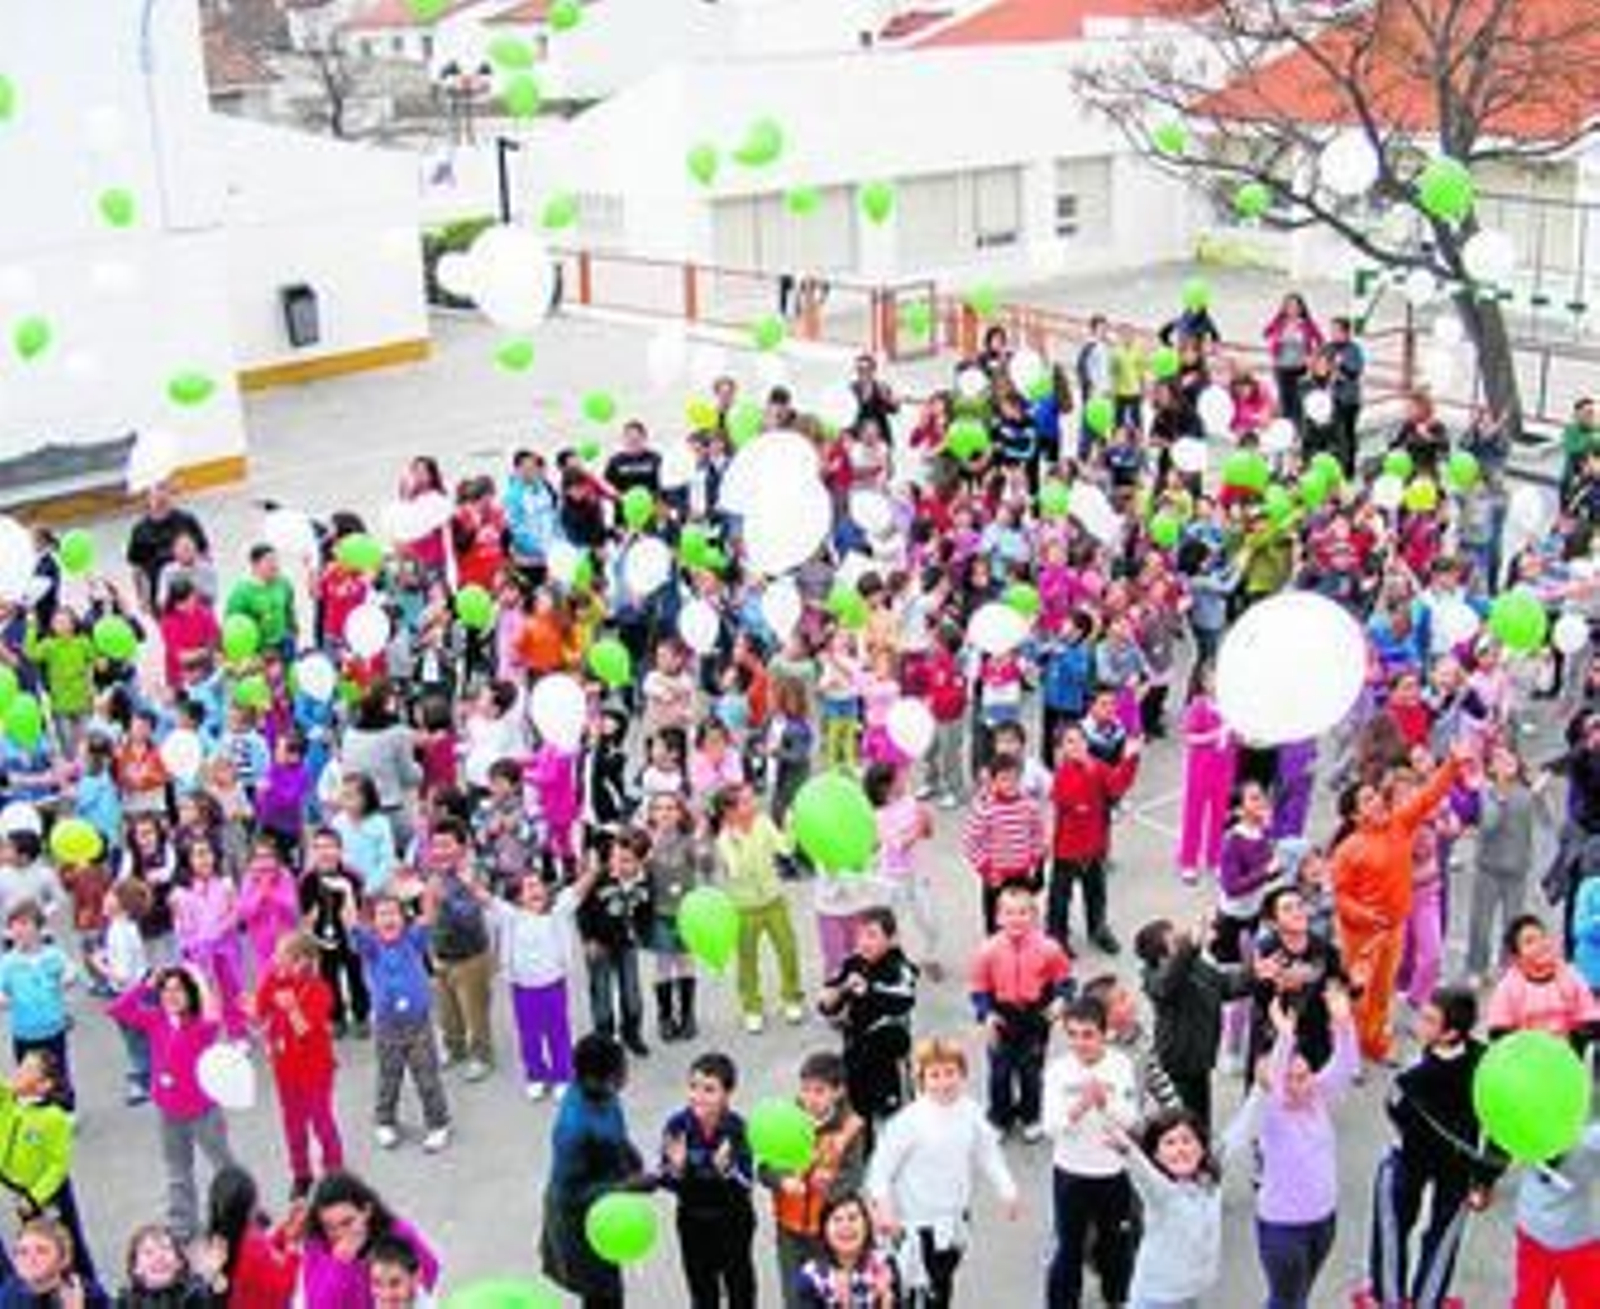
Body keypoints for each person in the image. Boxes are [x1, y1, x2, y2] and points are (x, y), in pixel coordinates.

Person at [1361, 987, 1500, 1309]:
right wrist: (1486, 1179)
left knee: (1392, 1227)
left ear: (1450, 1033)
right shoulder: (1485, 1061)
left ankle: (1390, 1300)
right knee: (1443, 1239)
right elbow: (1500, 1123)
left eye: (1429, 1020)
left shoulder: (1414, 1077)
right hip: (1459, 1165)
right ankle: (1429, 1300)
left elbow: (1394, 1109)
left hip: (1410, 1158)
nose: (1419, 1024)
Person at [1228, 987, 1359, 1309]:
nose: (1300, 1085)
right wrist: (1284, 1037)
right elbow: (1236, 1138)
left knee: (1298, 1297)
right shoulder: (1270, 1111)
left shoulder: (1317, 1097)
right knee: (1286, 1301)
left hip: (1323, 1221)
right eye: (1290, 1078)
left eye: (1304, 1075)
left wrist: (1344, 1023)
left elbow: (1345, 1066)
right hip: (1283, 1228)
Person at [1332, 747, 1462, 1064]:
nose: (1377, 801)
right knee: (1359, 997)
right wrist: (1365, 915)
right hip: (1362, 936)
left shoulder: (1399, 824)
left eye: (1375, 795)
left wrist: (1452, 763)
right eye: (1367, 800)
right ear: (1354, 816)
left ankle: (1375, 1046)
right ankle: (1349, 1055)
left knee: (1382, 993)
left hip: (1394, 928)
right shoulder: (1347, 850)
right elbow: (1341, 898)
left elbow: (1428, 797)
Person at [866, 1038, 1019, 1308]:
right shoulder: (909, 1122)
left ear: (963, 1074)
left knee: (943, 1283)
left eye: (950, 1073)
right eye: (934, 1075)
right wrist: (884, 1208)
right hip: (917, 1225)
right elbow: (880, 1170)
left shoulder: (970, 1112)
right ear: (921, 1080)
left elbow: (988, 1153)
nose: (943, 1082)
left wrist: (1008, 1191)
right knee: (921, 1292)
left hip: (956, 1219)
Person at [106, 966, 237, 1241]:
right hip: (169, 1110)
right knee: (177, 1169)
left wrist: (198, 978)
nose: (171, 995)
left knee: (223, 1164)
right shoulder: (155, 1019)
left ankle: (242, 1210)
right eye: (165, 990)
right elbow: (117, 1009)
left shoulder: (203, 1026)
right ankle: (182, 1222)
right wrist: (145, 985)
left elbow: (212, 1010)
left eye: (178, 989)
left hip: (203, 1110)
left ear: (191, 994)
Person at [1041, 995, 1140, 1309]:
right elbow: (1049, 1127)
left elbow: (1131, 1120)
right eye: (1072, 1034)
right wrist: (1078, 1108)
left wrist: (1105, 1103)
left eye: (1088, 1034)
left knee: (1116, 1243)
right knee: (1068, 1245)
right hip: (1070, 1172)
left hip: (1112, 1171)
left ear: (1104, 1033)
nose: (1080, 1043)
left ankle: (1118, 1296)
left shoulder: (1120, 1065)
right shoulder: (1058, 1071)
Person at [541, 1034, 646, 1309]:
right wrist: (627, 1186)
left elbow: (615, 1131)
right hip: (580, 1226)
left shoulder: (604, 1092)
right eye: (620, 1071)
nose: (626, 1076)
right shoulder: (573, 1129)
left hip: (605, 1208)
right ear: (593, 1080)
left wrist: (630, 1154)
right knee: (602, 1294)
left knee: (609, 1286)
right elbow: (570, 1194)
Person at [347, 892, 451, 1153]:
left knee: (427, 1076)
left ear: (403, 918)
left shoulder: (413, 939)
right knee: (388, 1077)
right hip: (387, 1025)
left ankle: (438, 1123)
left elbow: (428, 914)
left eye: (394, 913)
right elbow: (352, 925)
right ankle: (385, 1121)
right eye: (382, 914)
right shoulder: (370, 946)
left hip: (418, 1023)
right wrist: (348, 893)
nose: (389, 919)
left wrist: (424, 889)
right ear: (373, 922)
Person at [763, 1051, 867, 1309]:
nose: (810, 1098)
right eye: (805, 1090)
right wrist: (781, 1181)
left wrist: (824, 1187)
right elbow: (764, 1168)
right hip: (789, 1230)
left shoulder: (851, 1127)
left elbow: (854, 1176)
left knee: (830, 1295)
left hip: (828, 1232)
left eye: (819, 1091)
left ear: (838, 1092)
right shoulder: (785, 1123)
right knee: (795, 1296)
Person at [969, 884, 1072, 1140]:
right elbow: (979, 988)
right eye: (1009, 913)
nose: (1016, 919)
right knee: (999, 1072)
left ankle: (1031, 1115)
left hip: (1035, 1017)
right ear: (998, 917)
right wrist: (986, 1014)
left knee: (1031, 1071)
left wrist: (1061, 1000)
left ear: (1035, 916)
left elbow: (1065, 980)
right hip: (1001, 1017)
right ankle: (999, 1116)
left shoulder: (1049, 948)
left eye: (1023, 912)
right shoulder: (987, 951)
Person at [658, 1052, 757, 1309]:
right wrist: (676, 1169)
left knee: (740, 1287)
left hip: (733, 1221)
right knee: (702, 1291)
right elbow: (665, 1179)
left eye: (709, 1089)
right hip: (693, 1222)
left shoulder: (738, 1128)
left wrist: (728, 1170)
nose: (698, 1096)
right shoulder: (677, 1126)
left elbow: (748, 1183)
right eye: (693, 1086)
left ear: (728, 1093)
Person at [252, 931, 343, 1200]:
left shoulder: (319, 989)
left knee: (321, 1122)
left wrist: (292, 1008)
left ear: (302, 961)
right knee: (293, 1124)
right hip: (285, 1069)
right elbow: (260, 1012)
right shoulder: (274, 980)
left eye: (282, 955)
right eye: (276, 954)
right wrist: (253, 1007)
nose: (275, 959)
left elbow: (305, 1030)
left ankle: (334, 1172)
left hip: (315, 1069)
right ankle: (301, 1173)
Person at [1107, 1109, 1224, 1309]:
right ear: (1156, 1155)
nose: (1180, 1149)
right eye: (1169, 1143)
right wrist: (1128, 1151)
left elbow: (1240, 1134)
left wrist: (1260, 1094)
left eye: (1187, 1140)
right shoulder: (1162, 1193)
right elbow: (1143, 1174)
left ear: (1202, 1147)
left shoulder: (1209, 1183)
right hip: (1155, 1299)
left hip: (1190, 1293)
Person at [711, 784, 804, 1035]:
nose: (754, 804)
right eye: (746, 801)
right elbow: (737, 871)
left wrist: (791, 825)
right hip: (744, 908)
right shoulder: (724, 839)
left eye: (752, 799)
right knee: (747, 960)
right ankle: (752, 1007)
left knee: (788, 950)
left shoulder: (764, 822)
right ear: (729, 811)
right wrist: (735, 842)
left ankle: (792, 997)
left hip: (774, 900)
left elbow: (785, 848)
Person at [1048, 724, 1140, 954]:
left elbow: (1117, 785)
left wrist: (1130, 759)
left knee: (1096, 893)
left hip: (1095, 846)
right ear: (1061, 748)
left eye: (1080, 739)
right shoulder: (1062, 772)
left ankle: (1098, 928)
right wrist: (1095, 793)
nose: (1076, 745)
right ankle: (1057, 935)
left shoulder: (1098, 767)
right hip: (1067, 848)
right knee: (1060, 897)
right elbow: (1069, 800)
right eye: (1070, 741)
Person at [300, 1172, 439, 1309]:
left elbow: (429, 1269)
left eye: (347, 1222)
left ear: (366, 1211)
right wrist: (340, 1267)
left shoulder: (395, 1232)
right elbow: (317, 1304)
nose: (340, 1234)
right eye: (330, 1227)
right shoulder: (317, 1247)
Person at [1510, 1123, 1600, 1307]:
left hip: (1531, 1221)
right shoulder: (1592, 1136)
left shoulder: (1530, 1121)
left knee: (1530, 1298)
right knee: (1586, 1301)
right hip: (1577, 1234)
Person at [204, 1164, 303, 1308]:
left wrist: (283, 1233)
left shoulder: (217, 1242)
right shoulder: (254, 1248)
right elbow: (284, 1287)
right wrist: (293, 1247)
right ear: (248, 1210)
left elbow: (263, 1252)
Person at [794, 1194, 898, 1309]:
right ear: (824, 1229)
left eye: (852, 1218)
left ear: (866, 1225)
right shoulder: (810, 1277)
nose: (846, 1226)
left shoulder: (884, 1266)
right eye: (837, 1220)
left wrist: (885, 1300)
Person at [0, 1217, 105, 1307]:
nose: (30, 1259)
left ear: (63, 1259)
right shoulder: (8, 1294)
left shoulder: (90, 1296)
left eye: (41, 1251)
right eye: (23, 1252)